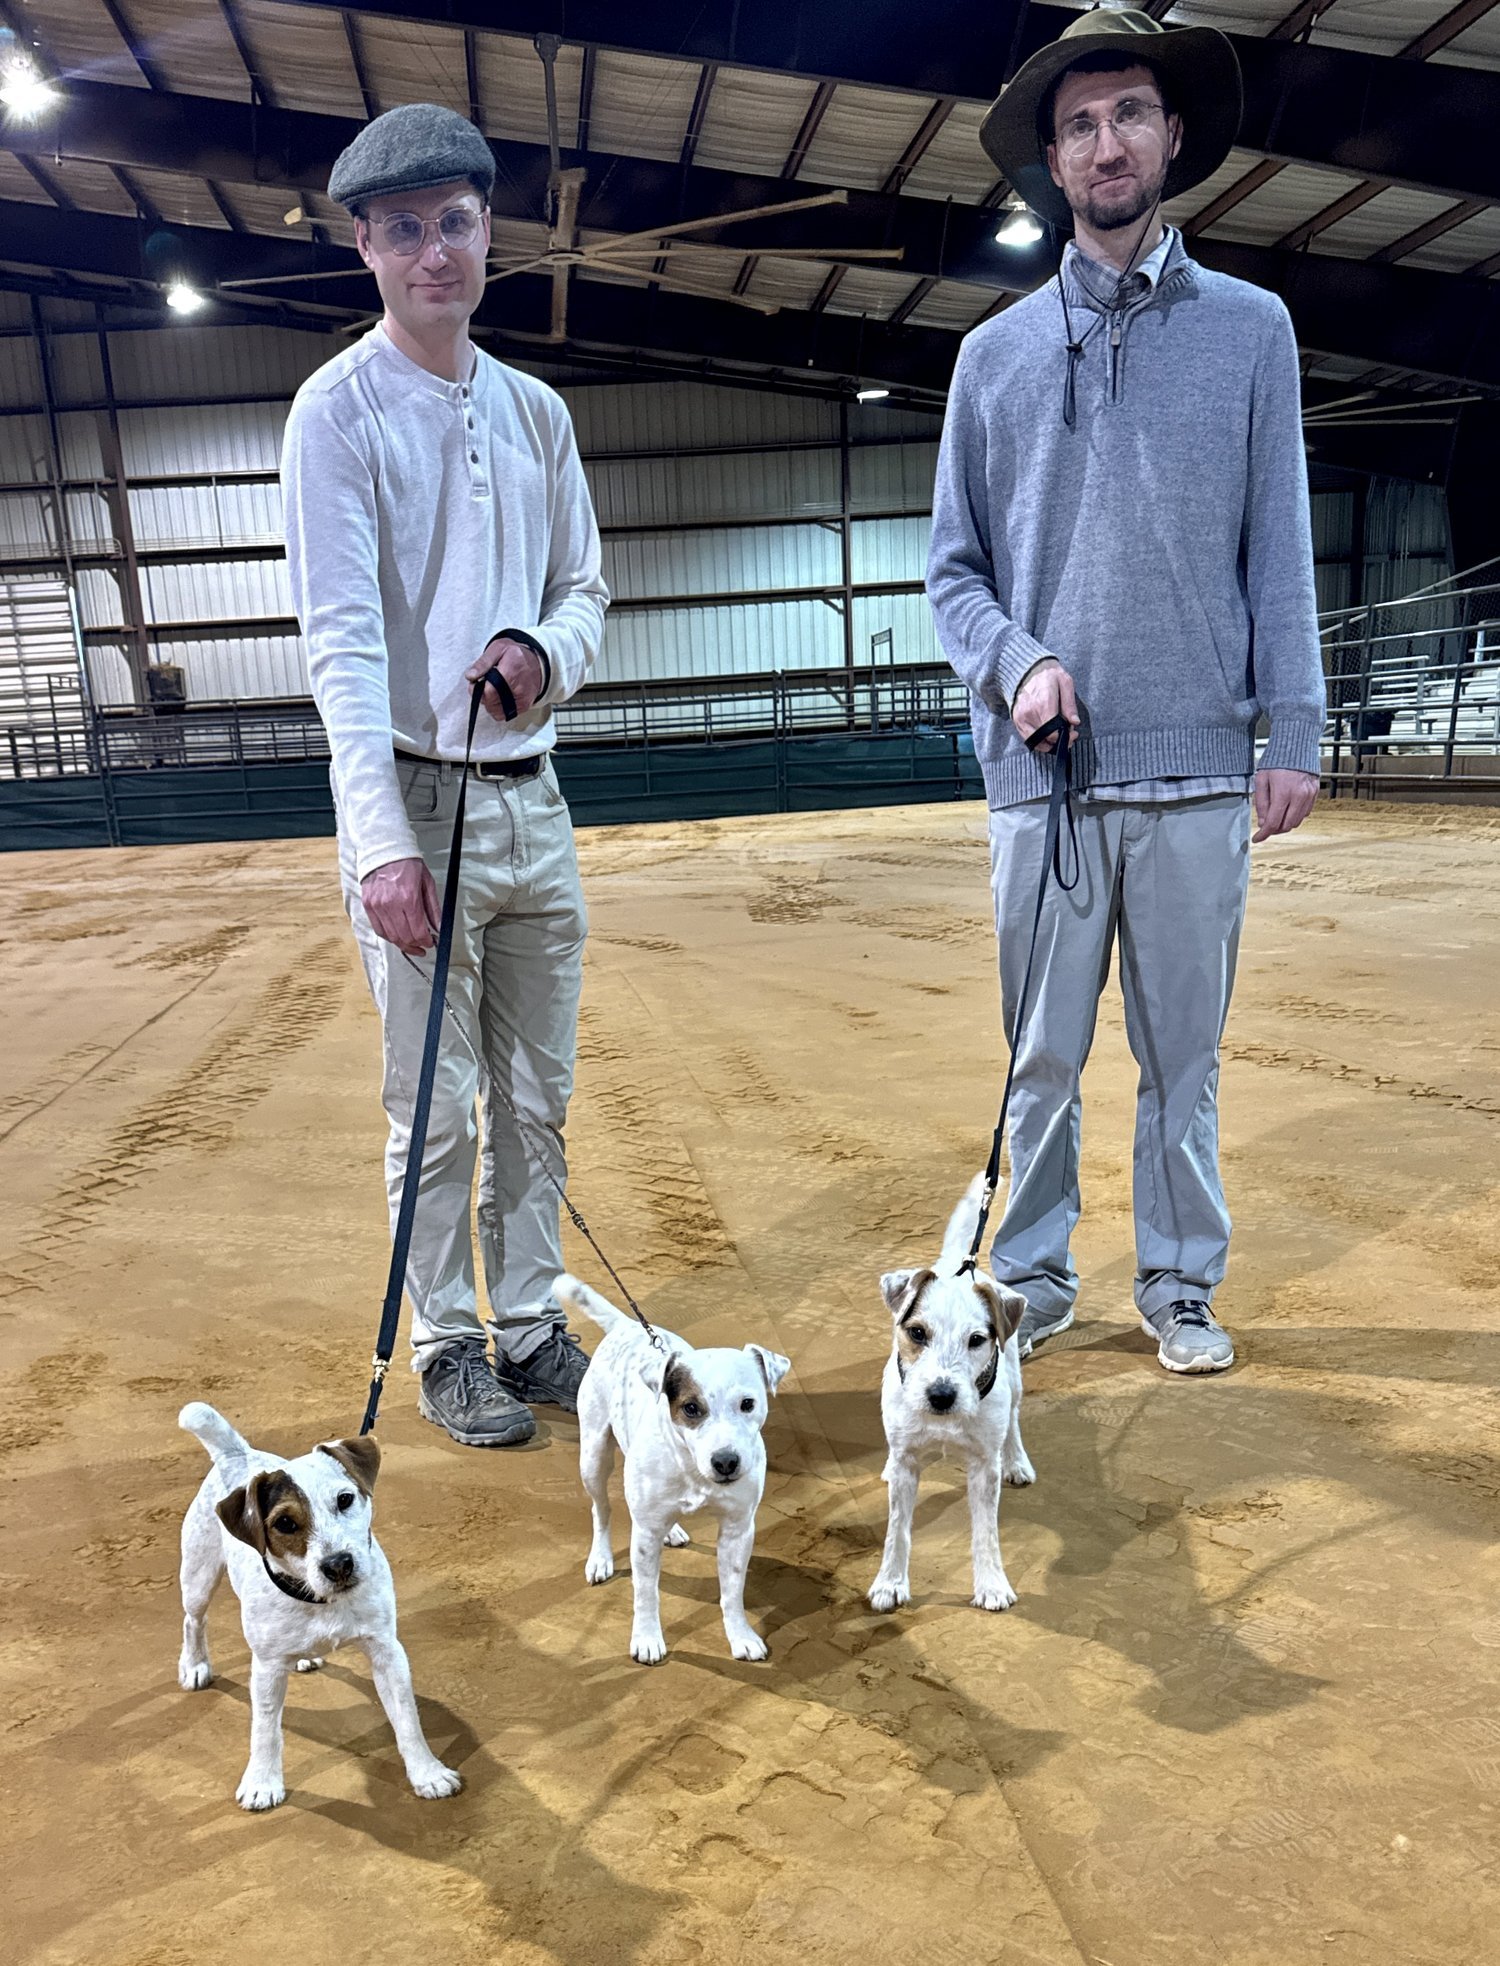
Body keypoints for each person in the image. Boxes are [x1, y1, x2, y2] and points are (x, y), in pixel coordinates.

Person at [928, 11, 1326, 1375]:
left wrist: (1295, 726)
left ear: (1171, 137)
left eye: (1131, 115)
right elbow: (953, 572)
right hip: (1044, 782)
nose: (1108, 144)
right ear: (1054, 160)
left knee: (1184, 1063)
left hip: (1202, 767)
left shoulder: (1254, 333)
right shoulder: (990, 359)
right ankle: (1032, 1276)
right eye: (1081, 125)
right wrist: (1019, 663)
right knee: (1040, 1060)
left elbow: (1280, 544)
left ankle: (1179, 1282)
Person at [282, 103, 609, 1445]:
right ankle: (446, 1340)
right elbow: (342, 643)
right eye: (405, 229)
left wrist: (543, 651)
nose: (435, 253)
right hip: (418, 800)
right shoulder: (337, 413)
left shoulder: (537, 413)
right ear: (365, 245)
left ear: (490, 232)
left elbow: (586, 589)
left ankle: (528, 1322)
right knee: (435, 1109)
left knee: (538, 1094)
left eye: (456, 223)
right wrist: (380, 843)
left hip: (535, 798)